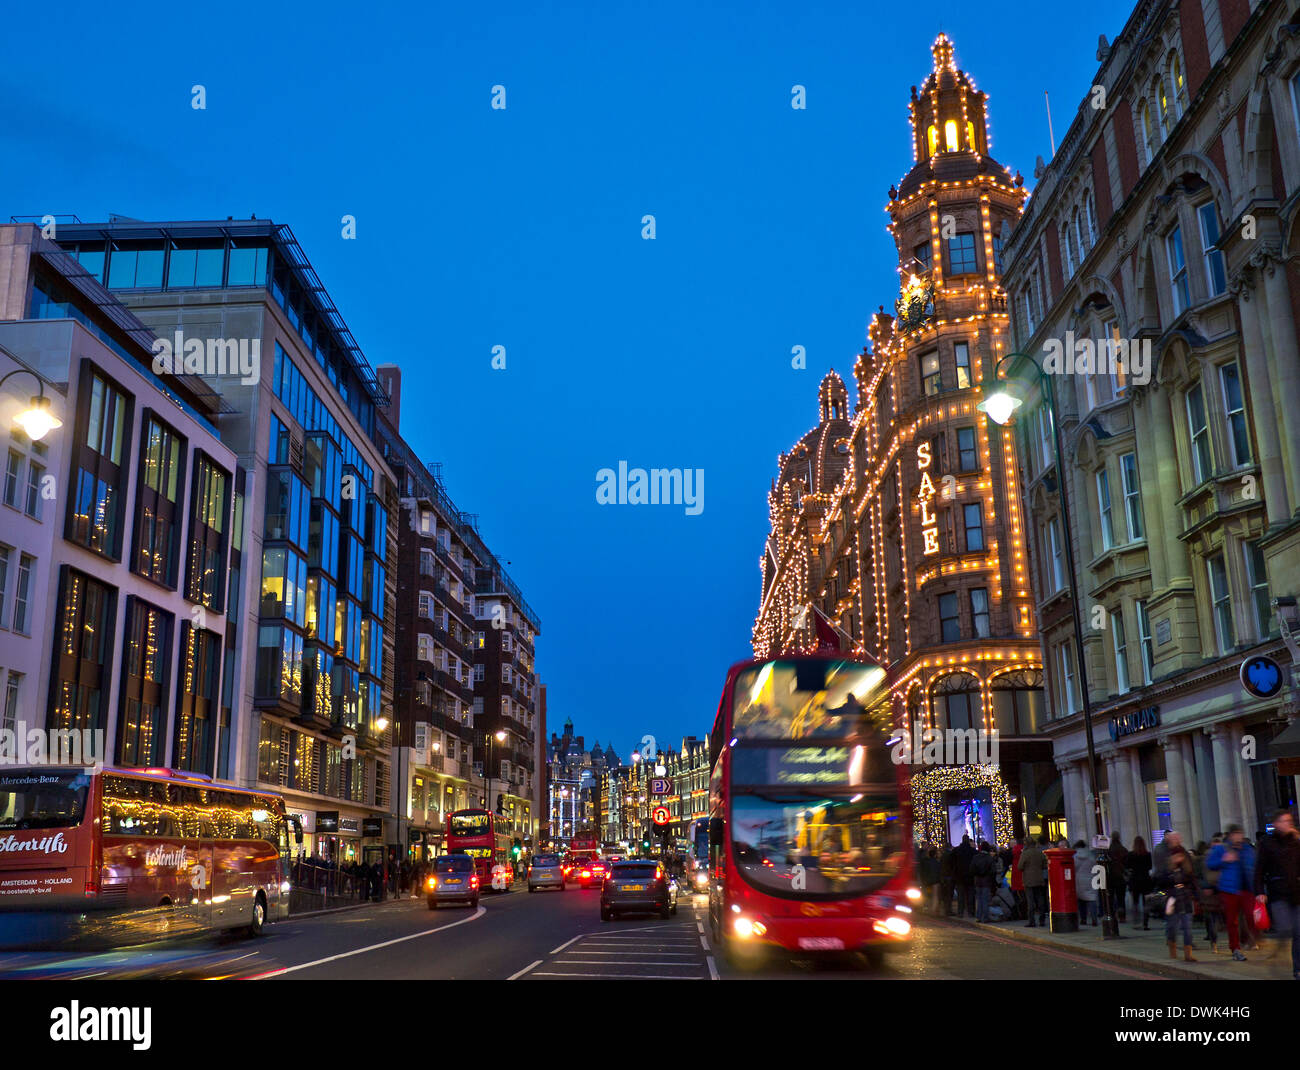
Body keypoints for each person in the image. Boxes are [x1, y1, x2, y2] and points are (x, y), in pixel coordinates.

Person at [1254, 809, 1300, 980]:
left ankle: (1297, 969)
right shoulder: (1268, 843)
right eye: (1283, 821)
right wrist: (1259, 892)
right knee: (1285, 928)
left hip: (1296, 892)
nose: (1287, 824)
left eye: (1289, 821)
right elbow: (1259, 870)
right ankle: (1279, 950)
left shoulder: (1295, 841)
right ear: (1276, 823)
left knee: (1299, 931)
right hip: (1278, 891)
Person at [1206, 825, 1258, 962]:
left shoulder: (1247, 849)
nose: (1238, 837)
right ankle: (1235, 948)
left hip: (1247, 888)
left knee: (1250, 916)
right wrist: (1224, 860)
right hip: (1230, 889)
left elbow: (1255, 866)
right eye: (1235, 834)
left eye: (1240, 834)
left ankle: (1250, 939)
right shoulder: (1221, 849)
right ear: (1230, 835)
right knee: (1232, 920)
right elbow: (1210, 864)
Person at [1156, 836, 1199, 961]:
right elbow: (1159, 879)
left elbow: (1191, 876)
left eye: (1178, 839)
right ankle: (1172, 949)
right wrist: (1171, 867)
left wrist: (1195, 893)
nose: (1177, 841)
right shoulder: (1163, 855)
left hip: (1185, 895)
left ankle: (1188, 954)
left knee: (1187, 926)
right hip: (1171, 897)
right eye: (1174, 839)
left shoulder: (1185, 854)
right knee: (1172, 926)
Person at [1019, 836, 1047, 927]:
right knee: (1040, 899)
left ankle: (1032, 921)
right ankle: (1042, 920)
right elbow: (1044, 865)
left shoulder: (1025, 853)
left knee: (1030, 901)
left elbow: (1020, 866)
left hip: (1028, 880)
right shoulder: (1040, 853)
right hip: (1039, 878)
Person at [1127, 836, 1153, 930]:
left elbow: (1127, 866)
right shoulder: (1147, 854)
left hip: (1135, 880)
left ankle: (1136, 922)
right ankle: (1145, 923)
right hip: (1145, 880)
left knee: (1135, 902)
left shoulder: (1131, 855)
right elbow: (1150, 866)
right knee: (1146, 903)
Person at [1074, 839, 1098, 926]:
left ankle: (1083, 919)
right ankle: (1094, 919)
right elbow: (1095, 866)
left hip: (1079, 880)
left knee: (1081, 901)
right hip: (1091, 878)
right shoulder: (1091, 855)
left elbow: (1073, 868)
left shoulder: (1075, 857)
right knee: (1092, 899)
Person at [970, 841, 996, 922]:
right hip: (986, 881)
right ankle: (985, 917)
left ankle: (978, 916)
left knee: (979, 899)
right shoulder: (989, 858)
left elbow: (971, 869)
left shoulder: (976, 857)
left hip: (978, 880)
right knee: (985, 899)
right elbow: (993, 871)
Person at [952, 835, 976, 918]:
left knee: (960, 895)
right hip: (970, 876)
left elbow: (953, 863)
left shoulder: (956, 850)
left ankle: (960, 912)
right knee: (970, 894)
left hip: (959, 876)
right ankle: (971, 911)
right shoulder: (973, 851)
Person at [1108, 834, 1129, 924]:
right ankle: (1122, 916)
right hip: (1121, 877)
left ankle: (1112, 915)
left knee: (1111, 897)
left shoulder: (1108, 851)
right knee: (1121, 898)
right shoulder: (1123, 850)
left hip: (1111, 877)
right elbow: (1127, 864)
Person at [919, 847, 941, 913]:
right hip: (935, 881)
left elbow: (923, 871)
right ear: (935, 855)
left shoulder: (926, 862)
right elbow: (939, 871)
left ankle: (926, 907)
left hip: (927, 881)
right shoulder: (937, 862)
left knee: (926, 895)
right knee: (935, 895)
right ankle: (933, 909)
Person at [1009, 836, 1025, 920]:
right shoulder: (1023, 851)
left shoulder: (1014, 851)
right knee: (1023, 897)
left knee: (1018, 897)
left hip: (1017, 878)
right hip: (1022, 878)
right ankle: (1023, 913)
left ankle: (1019, 913)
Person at [938, 845, 955, 916]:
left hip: (943, 876)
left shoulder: (942, 856)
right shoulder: (951, 855)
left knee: (945, 894)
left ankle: (946, 909)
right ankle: (948, 910)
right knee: (949, 894)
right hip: (949, 876)